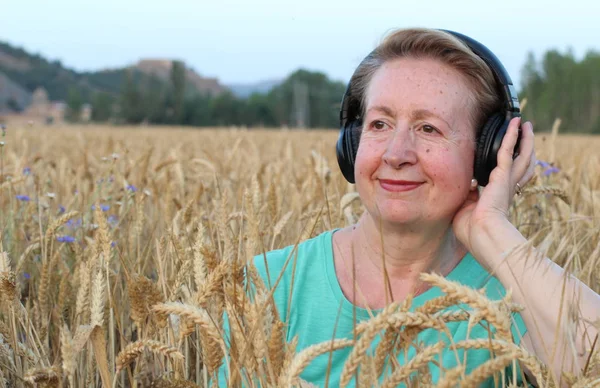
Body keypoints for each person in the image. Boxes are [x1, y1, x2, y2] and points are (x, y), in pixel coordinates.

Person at [235, 28, 600, 387]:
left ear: (487, 154)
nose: (396, 154)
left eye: (428, 129)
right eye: (380, 123)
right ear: (351, 143)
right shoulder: (269, 285)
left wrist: (491, 228)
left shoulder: (513, 296)